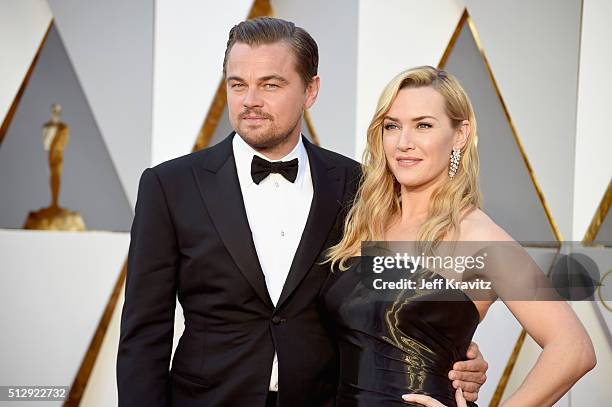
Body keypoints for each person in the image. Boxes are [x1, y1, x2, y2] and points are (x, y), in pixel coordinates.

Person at [116, 18, 488, 406]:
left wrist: (449, 349)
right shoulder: (170, 185)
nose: (249, 101)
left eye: (270, 84)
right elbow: (144, 333)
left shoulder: (360, 186)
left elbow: (389, 305)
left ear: (311, 90)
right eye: (237, 84)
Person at [323, 66, 596, 406]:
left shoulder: (480, 237)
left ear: (460, 135)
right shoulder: (363, 221)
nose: (404, 142)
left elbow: (574, 348)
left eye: (423, 125)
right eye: (392, 126)